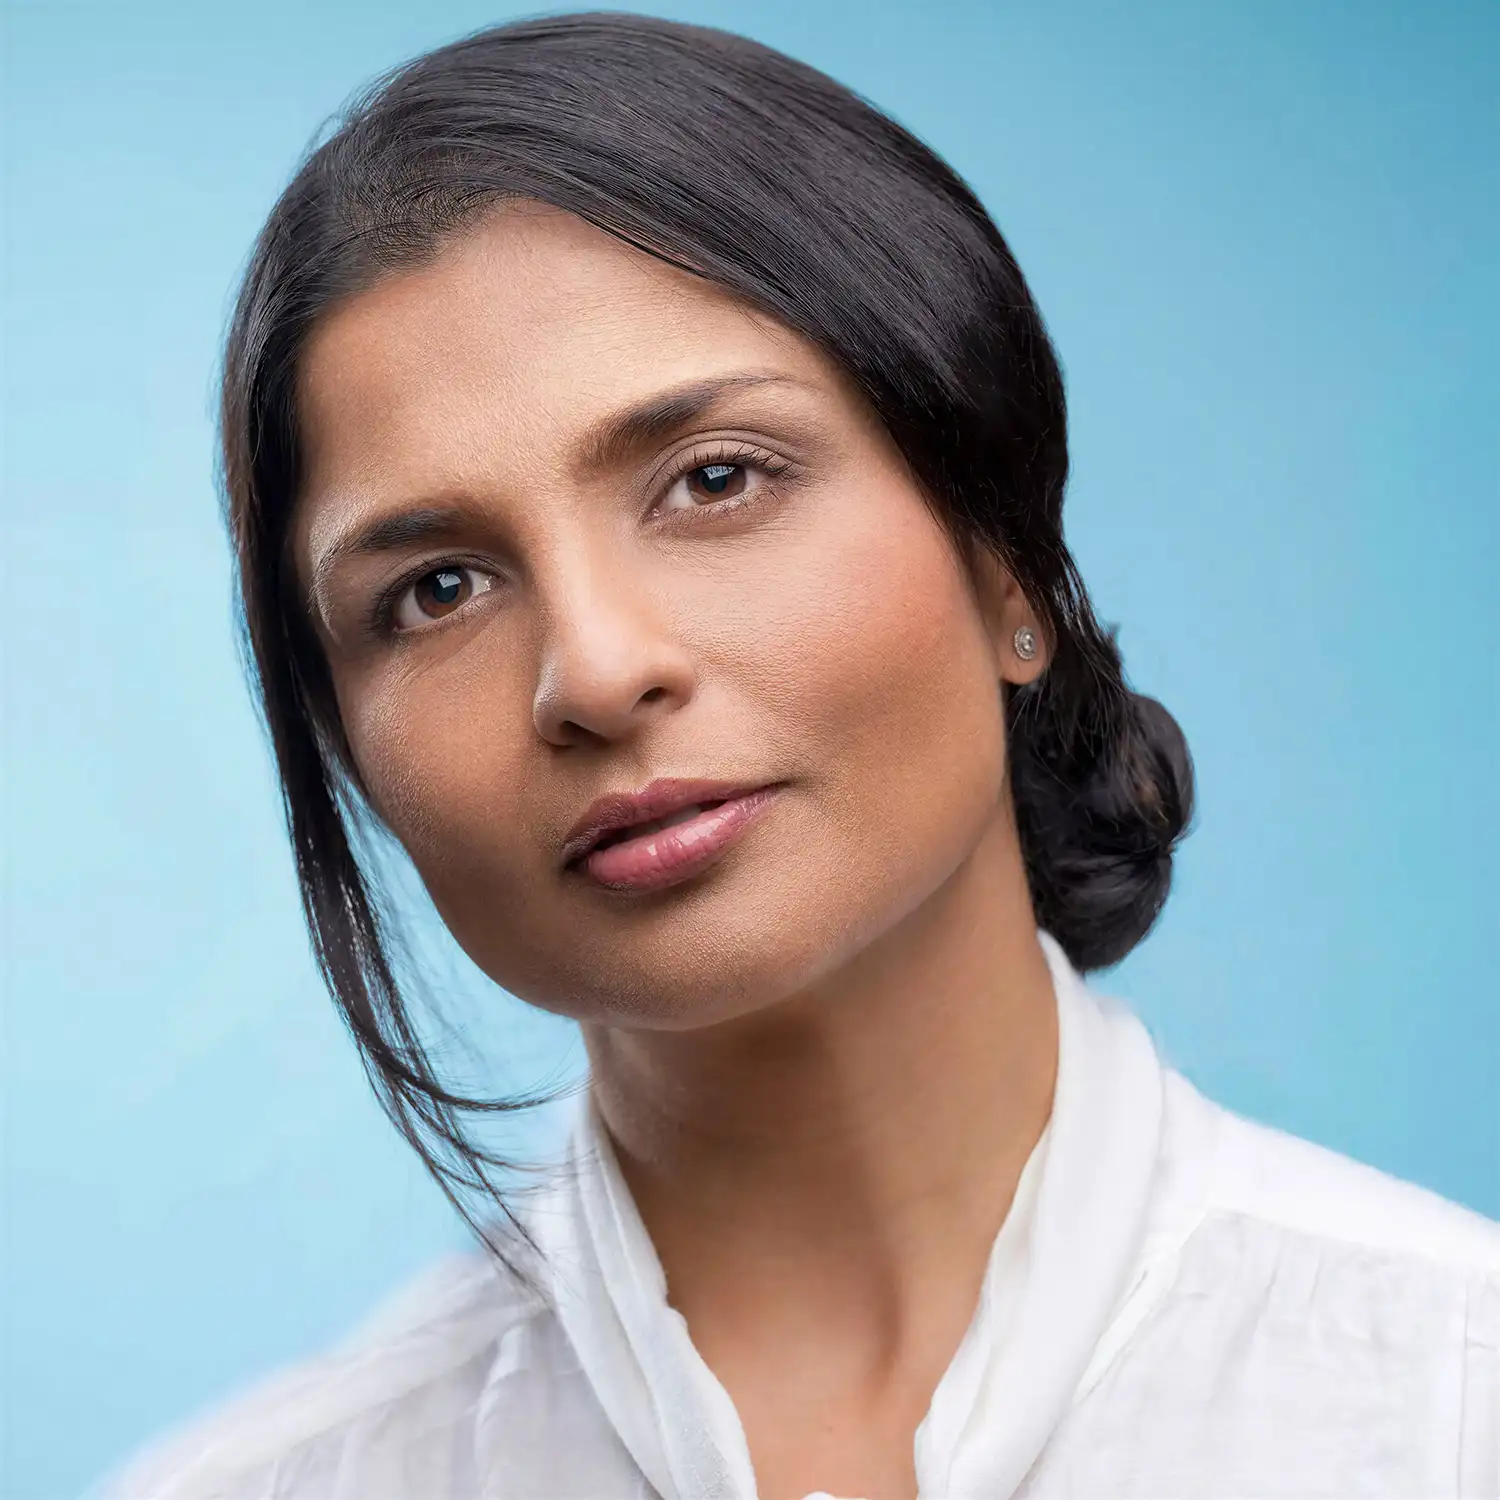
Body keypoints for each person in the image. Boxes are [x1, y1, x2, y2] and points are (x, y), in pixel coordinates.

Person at [96, 13, 1497, 1500]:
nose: (597, 667)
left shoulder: (1447, 1406)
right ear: (343, 744)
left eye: (714, 480)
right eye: (436, 588)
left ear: (1010, 566)